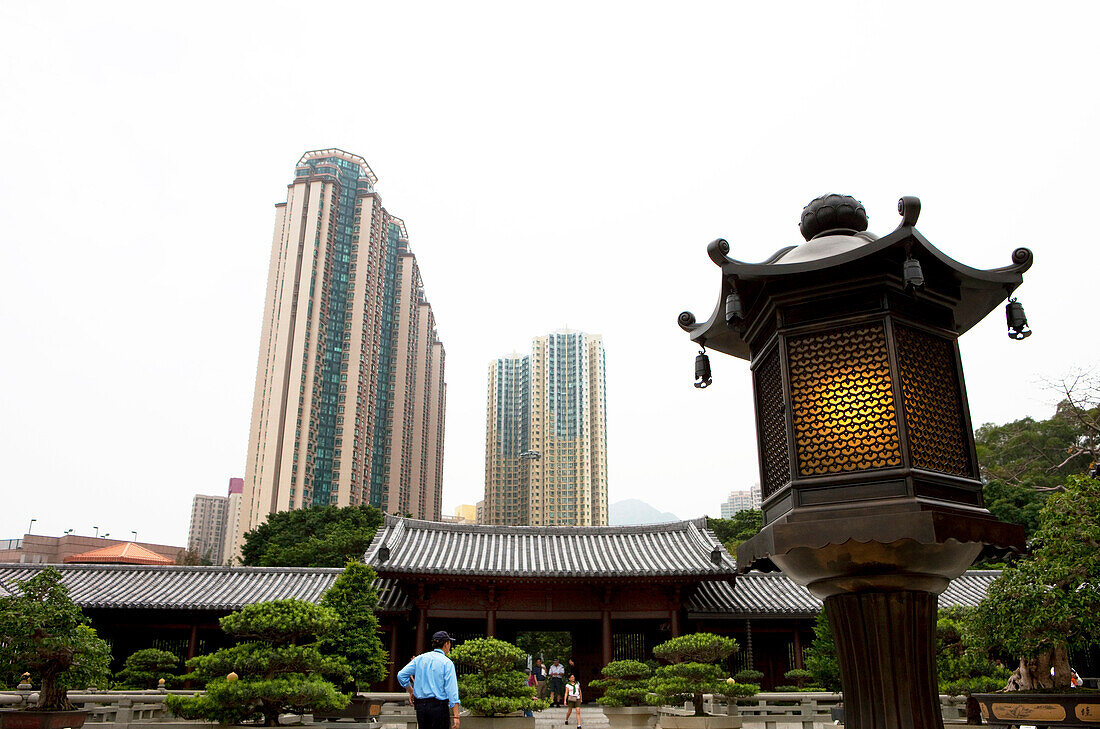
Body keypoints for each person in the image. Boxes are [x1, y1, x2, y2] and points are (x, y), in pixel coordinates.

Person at [397, 631, 461, 729]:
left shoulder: (420, 659)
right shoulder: (447, 663)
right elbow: (452, 690)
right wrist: (456, 715)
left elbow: (401, 675)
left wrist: (411, 691)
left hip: (421, 706)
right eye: (449, 643)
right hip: (439, 707)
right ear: (446, 644)